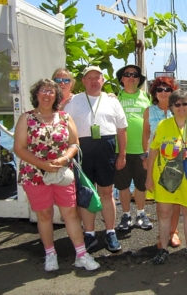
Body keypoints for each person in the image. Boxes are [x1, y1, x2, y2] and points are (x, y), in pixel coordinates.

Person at [14, 79, 100, 271]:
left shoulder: (64, 117)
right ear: (36, 94)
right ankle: (50, 253)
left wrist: (64, 159)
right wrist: (43, 164)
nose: (47, 94)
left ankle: (81, 254)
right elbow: (19, 148)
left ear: (56, 96)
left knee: (70, 212)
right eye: (43, 90)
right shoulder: (26, 118)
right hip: (35, 174)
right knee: (44, 214)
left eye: (51, 92)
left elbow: (74, 144)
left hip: (62, 173)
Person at [146, 90, 187, 265]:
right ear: (171, 107)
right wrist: (149, 177)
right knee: (164, 213)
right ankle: (163, 249)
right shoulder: (163, 125)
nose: (182, 108)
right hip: (166, 176)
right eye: (177, 104)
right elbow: (153, 151)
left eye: (185, 104)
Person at [64, 66, 128, 252]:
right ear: (83, 81)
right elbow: (63, 126)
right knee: (86, 192)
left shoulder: (112, 101)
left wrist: (122, 154)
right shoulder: (74, 101)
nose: (93, 81)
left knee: (107, 193)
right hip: (82, 150)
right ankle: (89, 234)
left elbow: (122, 130)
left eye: (97, 77)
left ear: (103, 81)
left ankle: (110, 232)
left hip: (106, 149)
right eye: (89, 77)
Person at [142, 76, 181, 248]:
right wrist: (145, 155)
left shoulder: (179, 109)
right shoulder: (149, 111)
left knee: (176, 199)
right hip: (156, 161)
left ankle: (173, 231)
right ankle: (162, 233)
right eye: (159, 89)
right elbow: (145, 135)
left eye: (167, 89)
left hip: (177, 160)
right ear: (154, 92)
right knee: (161, 200)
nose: (163, 93)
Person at [114, 64, 152, 232]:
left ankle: (141, 213)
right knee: (122, 185)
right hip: (120, 149)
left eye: (135, 75)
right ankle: (126, 215)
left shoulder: (147, 97)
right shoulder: (114, 98)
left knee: (141, 185)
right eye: (127, 74)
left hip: (142, 150)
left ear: (139, 80)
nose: (131, 77)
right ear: (122, 79)